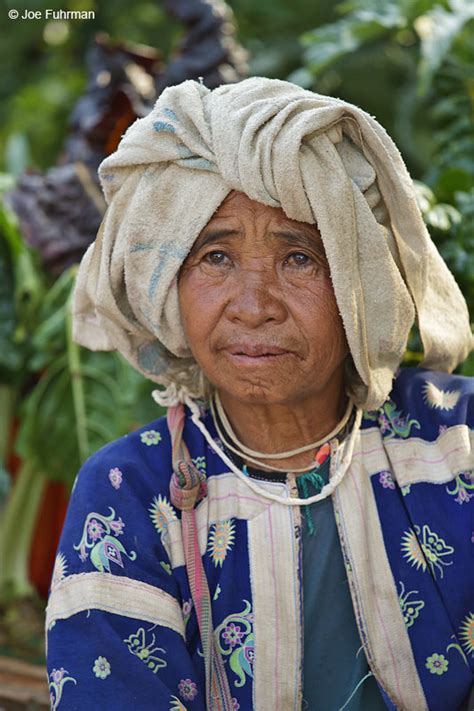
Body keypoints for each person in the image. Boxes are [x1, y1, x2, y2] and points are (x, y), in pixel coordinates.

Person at [45, 77, 474, 711]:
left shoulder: (456, 441)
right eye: (215, 257)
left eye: (299, 257)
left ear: (358, 283)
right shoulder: (129, 491)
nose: (253, 307)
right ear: (170, 286)